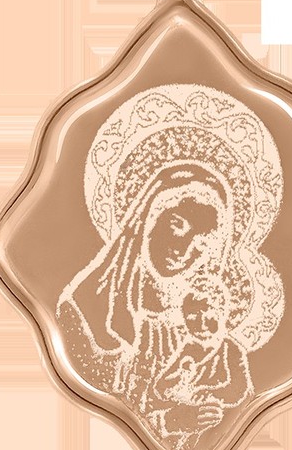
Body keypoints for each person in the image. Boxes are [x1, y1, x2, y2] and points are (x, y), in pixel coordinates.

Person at [56, 162, 235, 412]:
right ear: (148, 220)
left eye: (202, 242)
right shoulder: (83, 312)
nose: (184, 249)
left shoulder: (205, 325)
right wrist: (173, 420)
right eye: (177, 225)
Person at [146, 280, 253, 450]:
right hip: (181, 415)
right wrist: (173, 384)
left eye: (209, 315)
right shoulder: (186, 349)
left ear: (223, 314)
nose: (201, 324)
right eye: (192, 316)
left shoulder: (230, 349)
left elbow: (239, 389)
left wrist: (208, 393)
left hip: (214, 417)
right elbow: (161, 386)